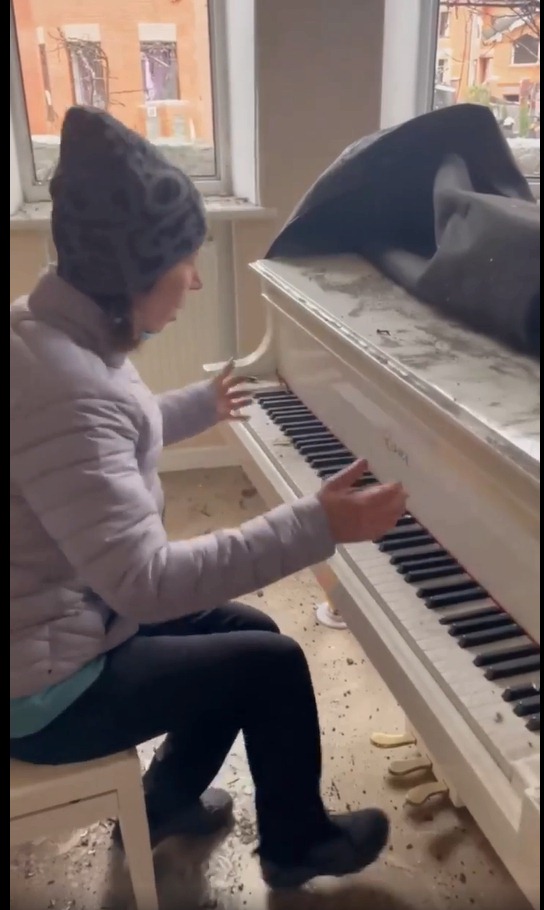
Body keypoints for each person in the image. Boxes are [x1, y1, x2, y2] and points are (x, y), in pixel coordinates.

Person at [10, 106, 407, 890]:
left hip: (65, 622)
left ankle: (162, 800)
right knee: (271, 660)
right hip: (44, 690)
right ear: (133, 269)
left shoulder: (53, 333)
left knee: (245, 629)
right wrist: (313, 525)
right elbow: (147, 583)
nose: (194, 278)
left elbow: (97, 453)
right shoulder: (63, 383)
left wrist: (196, 406)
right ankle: (296, 843)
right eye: (184, 260)